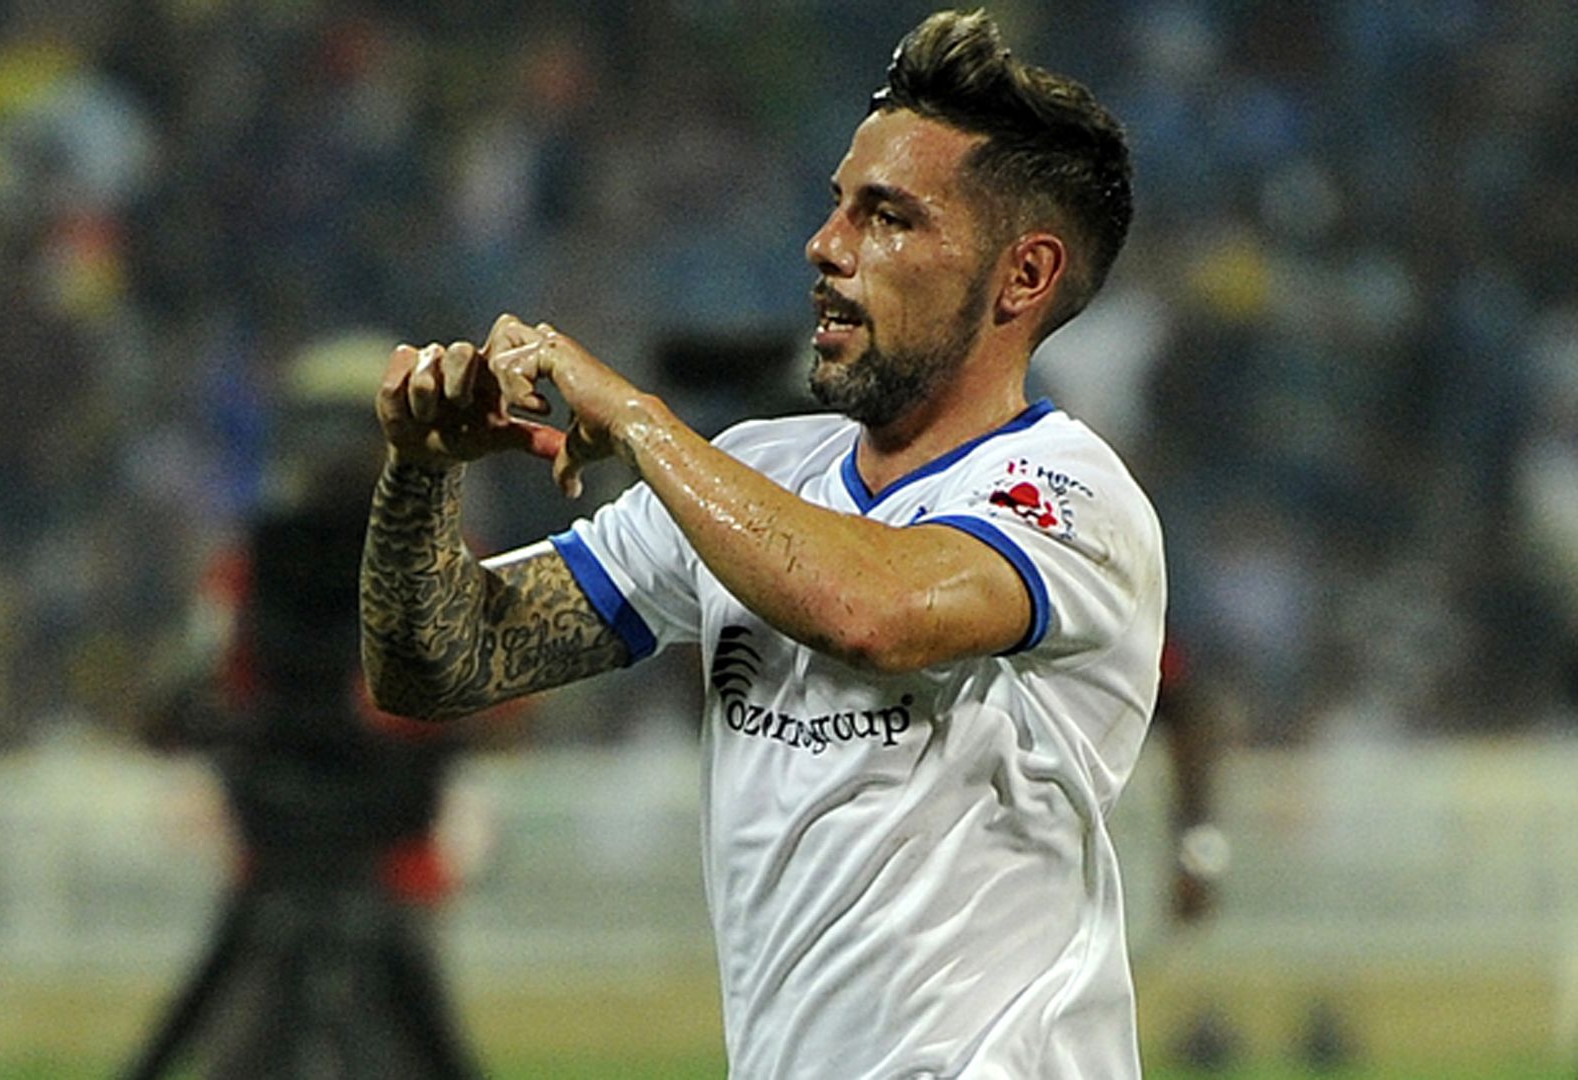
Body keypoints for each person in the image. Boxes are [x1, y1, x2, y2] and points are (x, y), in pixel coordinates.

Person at [361, 11, 1162, 1080]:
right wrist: (422, 471)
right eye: (838, 205)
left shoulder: (1067, 496)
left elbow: (872, 614)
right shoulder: (759, 470)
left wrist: (644, 425)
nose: (826, 246)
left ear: (1022, 278)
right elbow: (438, 665)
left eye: (888, 219)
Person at [123, 346, 489, 1080]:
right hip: (362, 840)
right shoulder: (264, 564)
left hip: (314, 842)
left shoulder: (252, 562)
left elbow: (198, 689)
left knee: (237, 1027)